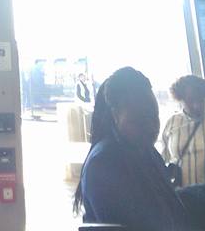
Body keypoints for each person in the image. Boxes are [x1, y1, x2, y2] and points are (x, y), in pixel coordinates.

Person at [74, 66, 189, 231]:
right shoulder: (104, 163)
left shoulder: (144, 150)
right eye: (140, 120)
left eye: (154, 116)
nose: (151, 126)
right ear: (115, 115)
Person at [163, 75, 205, 186]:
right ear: (180, 99)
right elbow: (164, 159)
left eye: (200, 99)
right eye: (190, 100)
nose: (196, 105)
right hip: (181, 193)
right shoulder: (172, 123)